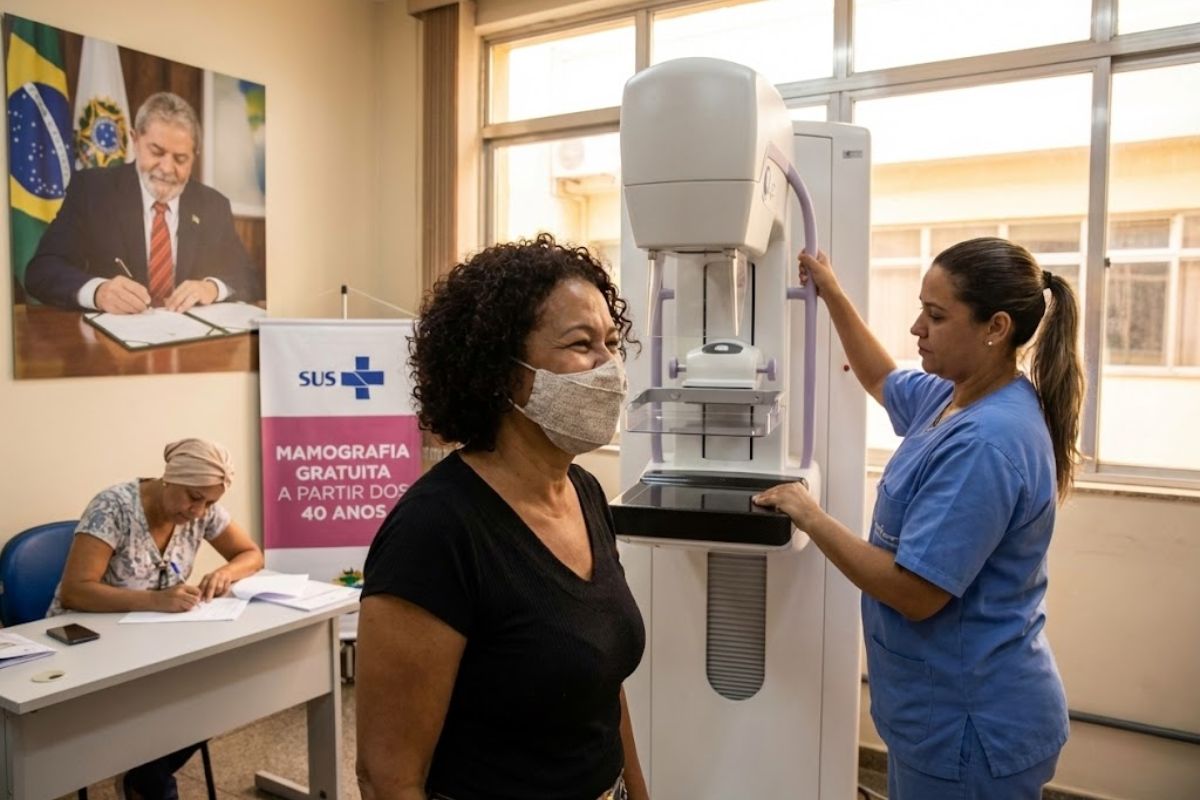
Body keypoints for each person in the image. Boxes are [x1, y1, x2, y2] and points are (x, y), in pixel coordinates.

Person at [753, 238, 1082, 799]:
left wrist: (809, 515)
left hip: (971, 728)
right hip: (936, 714)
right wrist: (831, 293)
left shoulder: (987, 441)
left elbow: (915, 593)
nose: (915, 328)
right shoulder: (957, 397)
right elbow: (881, 377)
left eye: (935, 315)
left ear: (995, 327)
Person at [356, 234, 648, 800]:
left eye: (612, 342)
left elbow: (602, 689)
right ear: (504, 372)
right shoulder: (435, 531)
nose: (608, 366)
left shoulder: (584, 493)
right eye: (581, 344)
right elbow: (388, 776)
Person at [49, 437, 264, 800]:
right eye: (193, 497)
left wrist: (226, 573)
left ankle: (147, 775)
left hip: (154, 641)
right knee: (181, 702)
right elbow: (75, 590)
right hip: (89, 642)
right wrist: (154, 600)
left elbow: (250, 554)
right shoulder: (113, 506)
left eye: (210, 502)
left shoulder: (202, 510)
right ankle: (150, 781)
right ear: (170, 477)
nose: (199, 511)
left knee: (224, 689)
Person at [23, 91, 263, 314]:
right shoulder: (92, 190)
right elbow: (41, 271)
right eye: (156, 152)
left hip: (190, 347)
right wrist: (97, 292)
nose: (167, 168)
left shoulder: (213, 205)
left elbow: (248, 277)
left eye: (180, 159)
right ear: (135, 141)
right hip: (109, 350)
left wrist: (212, 287)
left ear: (194, 157)